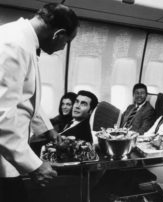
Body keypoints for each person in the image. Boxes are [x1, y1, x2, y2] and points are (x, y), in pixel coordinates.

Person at [0, 3, 79, 202]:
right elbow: (2, 116)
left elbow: (24, 98)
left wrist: (47, 130)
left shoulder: (21, 40)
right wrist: (34, 165)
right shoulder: (13, 44)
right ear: (58, 34)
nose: (63, 47)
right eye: (67, 41)